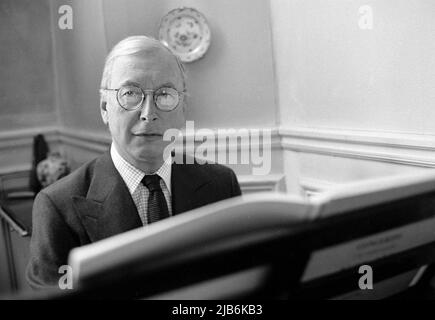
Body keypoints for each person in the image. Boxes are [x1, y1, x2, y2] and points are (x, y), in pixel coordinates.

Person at [26, 36, 242, 289]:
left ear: (184, 109)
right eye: (130, 93)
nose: (149, 113)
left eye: (164, 94)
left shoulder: (221, 185)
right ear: (105, 107)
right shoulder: (57, 207)